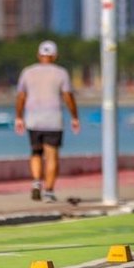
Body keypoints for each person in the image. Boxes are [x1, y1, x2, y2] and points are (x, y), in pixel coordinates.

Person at [15, 40, 80, 202]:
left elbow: (21, 96)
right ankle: (49, 192)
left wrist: (19, 117)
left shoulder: (27, 72)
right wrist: (74, 117)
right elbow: (68, 97)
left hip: (33, 120)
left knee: (36, 152)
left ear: (39, 55)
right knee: (52, 156)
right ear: (55, 56)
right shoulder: (61, 73)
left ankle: (36, 182)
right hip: (53, 121)